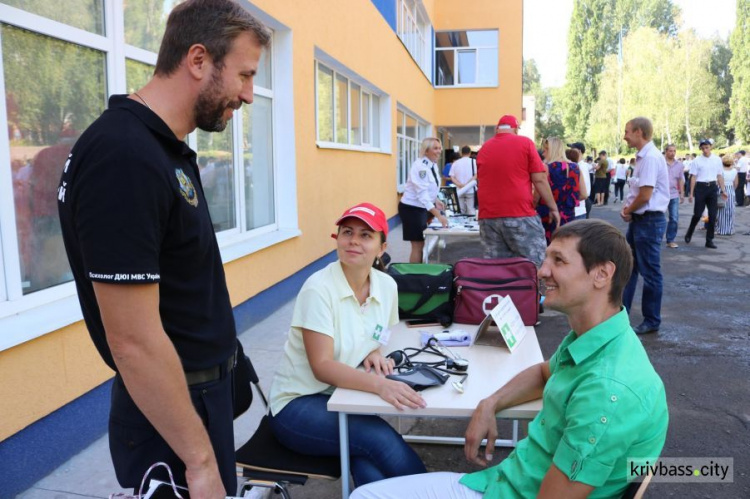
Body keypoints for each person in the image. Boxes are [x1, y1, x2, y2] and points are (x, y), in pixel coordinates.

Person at [57, 1, 271, 495]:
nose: (249, 94)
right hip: (169, 419)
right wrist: (198, 462)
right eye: (243, 75)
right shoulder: (124, 156)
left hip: (192, 403)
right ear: (198, 60)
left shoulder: (161, 146)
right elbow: (132, 341)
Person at [350, 219, 669, 499]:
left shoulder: (607, 389)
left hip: (510, 491)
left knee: (365, 493)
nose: (542, 271)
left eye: (558, 261)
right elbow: (545, 373)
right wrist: (490, 403)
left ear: (602, 274)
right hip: (504, 482)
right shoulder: (600, 340)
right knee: (369, 473)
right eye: (546, 258)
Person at [268, 203, 427, 487]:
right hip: (298, 404)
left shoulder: (387, 285)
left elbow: (380, 331)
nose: (354, 240)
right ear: (337, 239)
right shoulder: (318, 289)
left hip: (346, 396)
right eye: (347, 232)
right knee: (380, 440)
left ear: (381, 247)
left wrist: (374, 349)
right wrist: (381, 385)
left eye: (366, 235)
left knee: (365, 454)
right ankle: (435, 493)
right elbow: (323, 367)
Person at [475, 115, 559, 267]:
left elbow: (481, 181)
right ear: (515, 129)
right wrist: (553, 208)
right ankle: (532, 292)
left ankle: (500, 292)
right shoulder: (525, 143)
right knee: (535, 266)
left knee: (496, 269)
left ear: (497, 129)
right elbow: (539, 178)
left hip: (488, 217)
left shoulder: (484, 148)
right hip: (519, 213)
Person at [620, 117, 670, 336]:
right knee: (629, 269)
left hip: (648, 221)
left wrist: (629, 211)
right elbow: (641, 193)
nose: (625, 136)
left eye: (627, 131)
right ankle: (621, 316)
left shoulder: (649, 158)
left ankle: (651, 320)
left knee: (649, 273)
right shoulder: (645, 156)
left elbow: (645, 195)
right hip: (643, 221)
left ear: (639, 132)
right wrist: (630, 210)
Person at [398, 137, 449, 263]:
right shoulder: (420, 167)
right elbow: (422, 196)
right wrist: (439, 216)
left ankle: (419, 271)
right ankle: (415, 276)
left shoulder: (432, 165)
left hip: (421, 208)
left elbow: (429, 189)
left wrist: (436, 199)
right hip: (412, 209)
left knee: (421, 243)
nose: (439, 151)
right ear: (426, 151)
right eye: (435, 148)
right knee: (417, 245)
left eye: (440, 148)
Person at [536, 137, 585, 244]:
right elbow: (584, 194)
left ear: (552, 150)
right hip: (568, 216)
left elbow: (537, 196)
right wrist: (567, 201)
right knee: (565, 247)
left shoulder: (545, 168)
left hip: (547, 216)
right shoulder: (575, 167)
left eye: (545, 150)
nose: (543, 154)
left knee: (547, 249)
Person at [684, 139, 729, 248]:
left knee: (713, 215)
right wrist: (691, 194)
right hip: (700, 187)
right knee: (698, 214)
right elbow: (693, 177)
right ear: (700, 149)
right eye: (703, 148)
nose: (705, 150)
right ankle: (690, 232)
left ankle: (709, 240)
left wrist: (723, 190)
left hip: (713, 187)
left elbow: (719, 175)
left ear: (711, 147)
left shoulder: (717, 160)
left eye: (707, 147)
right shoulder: (697, 161)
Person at [664, 145, 685, 248]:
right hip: (661, 194)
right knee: (659, 218)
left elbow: (681, 179)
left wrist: (682, 193)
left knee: (674, 218)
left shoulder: (679, 165)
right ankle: (655, 238)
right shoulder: (660, 163)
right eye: (670, 151)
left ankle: (670, 240)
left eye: (674, 151)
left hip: (674, 194)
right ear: (666, 152)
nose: (673, 153)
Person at [449, 145, 477, 215]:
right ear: (470, 153)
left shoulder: (456, 163)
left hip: (459, 190)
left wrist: (459, 184)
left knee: (460, 210)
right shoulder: (474, 162)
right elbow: (477, 174)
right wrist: (468, 184)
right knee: (471, 210)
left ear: (461, 153)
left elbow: (452, 176)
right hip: (470, 189)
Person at [566, 148, 590, 219]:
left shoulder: (578, 169)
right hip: (579, 209)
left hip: (577, 210)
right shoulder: (580, 167)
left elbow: (584, 194)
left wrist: (567, 201)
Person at [717, 155, 738, 235]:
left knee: (721, 210)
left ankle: (721, 229)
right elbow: (736, 183)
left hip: (722, 190)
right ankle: (730, 229)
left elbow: (718, 182)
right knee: (730, 210)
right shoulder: (734, 171)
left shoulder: (720, 171)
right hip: (731, 190)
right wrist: (733, 190)